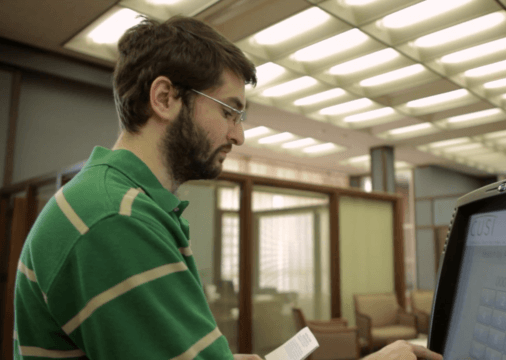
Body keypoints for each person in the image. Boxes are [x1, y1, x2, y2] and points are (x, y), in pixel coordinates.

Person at [12, 16, 442, 360]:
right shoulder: (115, 220)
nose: (238, 136)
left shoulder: (114, 203)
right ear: (164, 98)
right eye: (229, 112)